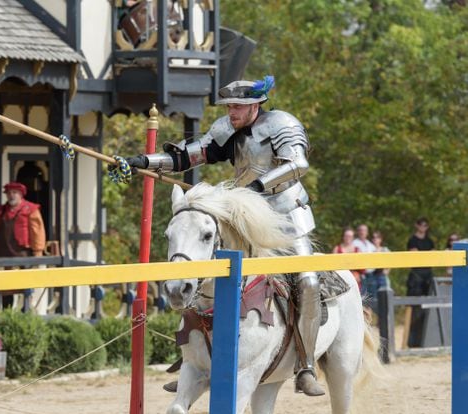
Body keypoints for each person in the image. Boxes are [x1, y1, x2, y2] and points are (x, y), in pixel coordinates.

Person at [113, 75, 325, 396]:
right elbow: (186, 157)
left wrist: (257, 186)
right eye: (229, 106)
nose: (232, 112)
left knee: (307, 281)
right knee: (201, 273)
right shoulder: (226, 130)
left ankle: (306, 364)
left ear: (256, 105)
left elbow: (298, 163)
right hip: (244, 218)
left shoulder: (282, 124)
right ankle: (192, 360)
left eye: (238, 106)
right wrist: (143, 161)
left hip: (285, 217)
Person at [0, 182, 46, 308]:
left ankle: (25, 313)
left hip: (23, 255)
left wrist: (38, 252)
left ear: (21, 195)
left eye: (14, 193)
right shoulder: (1, 211)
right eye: (9, 193)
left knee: (25, 287)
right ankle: (6, 313)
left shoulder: (30, 209)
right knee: (6, 288)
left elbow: (37, 232)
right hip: (4, 254)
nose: (11, 196)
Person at [405, 217, 435, 348]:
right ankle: (410, 343)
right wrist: (427, 255)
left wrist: (425, 255)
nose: (423, 227)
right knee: (413, 308)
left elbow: (432, 256)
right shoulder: (412, 240)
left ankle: (424, 342)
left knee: (428, 308)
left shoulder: (430, 241)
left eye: (425, 225)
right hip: (416, 277)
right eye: (421, 224)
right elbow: (415, 257)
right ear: (416, 225)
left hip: (428, 277)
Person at [364, 230, 391, 311]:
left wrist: (387, 270)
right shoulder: (368, 249)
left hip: (382, 276)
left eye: (377, 237)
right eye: (374, 238)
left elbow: (391, 261)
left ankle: (383, 321)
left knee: (384, 299)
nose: (375, 239)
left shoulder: (385, 249)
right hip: (370, 276)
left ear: (381, 239)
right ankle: (370, 321)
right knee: (370, 300)